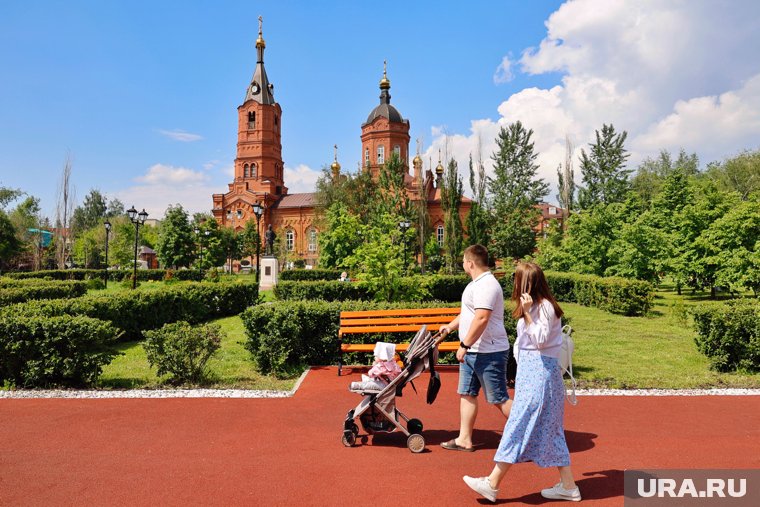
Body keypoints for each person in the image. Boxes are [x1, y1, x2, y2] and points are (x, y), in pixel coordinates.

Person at [463, 261, 580, 503]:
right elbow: (523, 344)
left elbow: (539, 339)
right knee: (551, 430)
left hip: (540, 378)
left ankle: (492, 483)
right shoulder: (538, 307)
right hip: (534, 376)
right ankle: (569, 486)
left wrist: (527, 313)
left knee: (518, 426)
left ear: (526, 284)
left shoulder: (544, 308)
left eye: (517, 280)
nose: (514, 284)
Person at [438, 244, 512, 452]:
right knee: (467, 393)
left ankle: (534, 435)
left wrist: (464, 344)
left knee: (499, 398)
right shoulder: (475, 285)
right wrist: (450, 327)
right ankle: (464, 439)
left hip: (488, 352)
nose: (462, 264)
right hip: (474, 351)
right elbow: (470, 313)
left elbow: (481, 318)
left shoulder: (487, 285)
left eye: (463, 261)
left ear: (470, 263)